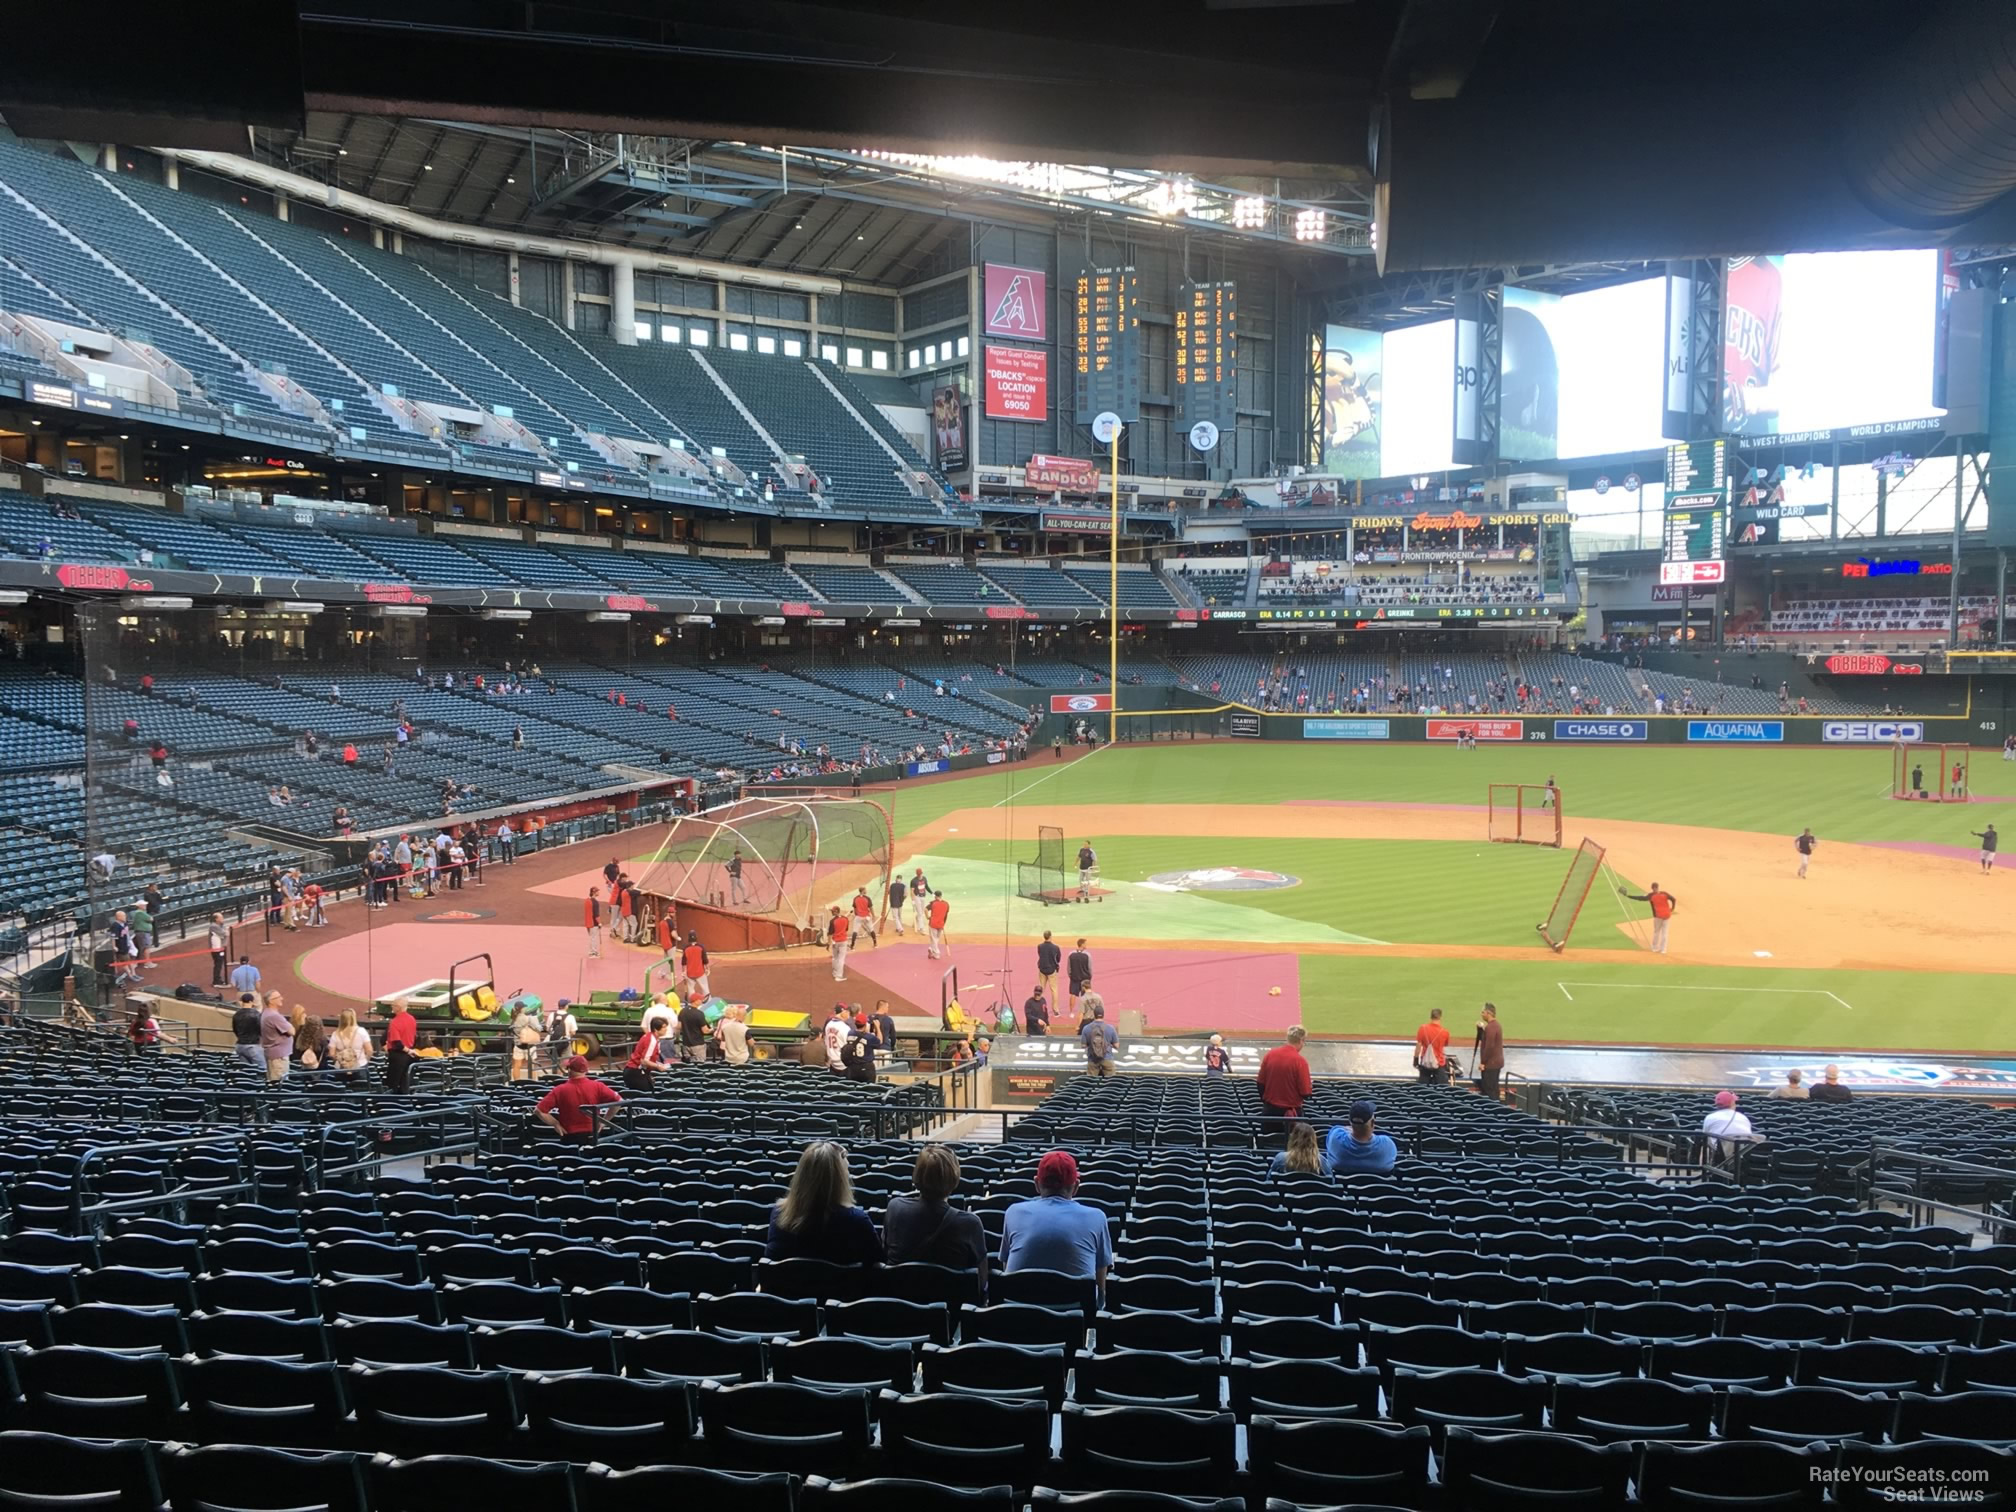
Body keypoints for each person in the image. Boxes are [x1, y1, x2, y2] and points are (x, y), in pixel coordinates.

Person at [1000, 1151, 1111, 1293]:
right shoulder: (1097, 1217)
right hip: (1077, 1312)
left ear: (1036, 1183)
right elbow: (1100, 1288)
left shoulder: (1013, 1212)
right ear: (1076, 1186)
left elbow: (1006, 1269)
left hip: (1018, 1309)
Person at [883, 1146, 988, 1286]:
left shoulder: (894, 1208)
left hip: (899, 1303)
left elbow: (884, 1254)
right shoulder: (970, 1224)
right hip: (951, 1304)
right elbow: (982, 1281)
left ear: (917, 1175)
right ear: (954, 1178)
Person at [764, 1142, 882, 1265]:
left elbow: (771, 1270)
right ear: (841, 1181)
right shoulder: (858, 1221)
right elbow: (879, 1268)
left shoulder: (779, 1214)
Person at [536, 1055, 622, 1143]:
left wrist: (555, 1124)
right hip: (593, 1135)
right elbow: (618, 1101)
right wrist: (604, 1122)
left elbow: (539, 1110)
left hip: (569, 1136)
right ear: (586, 1070)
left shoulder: (559, 1090)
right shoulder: (598, 1086)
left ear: (569, 1069)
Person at [1256, 1025, 1313, 1133]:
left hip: (1270, 1111)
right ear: (1301, 1040)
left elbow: (1260, 1083)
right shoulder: (1300, 1061)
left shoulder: (1270, 1055)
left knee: (1266, 1144)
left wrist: (1267, 1101)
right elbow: (1305, 1092)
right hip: (1291, 1114)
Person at [1326, 1099, 1399, 1174]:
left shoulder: (1335, 1137)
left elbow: (1337, 1129)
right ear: (1372, 1123)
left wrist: (1351, 1129)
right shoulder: (1387, 1144)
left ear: (1350, 1122)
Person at [1618, 881, 1677, 953]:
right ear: (1658, 887)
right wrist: (1672, 908)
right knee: (1665, 933)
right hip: (1667, 915)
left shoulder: (1651, 896)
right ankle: (1663, 950)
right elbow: (1673, 899)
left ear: (1652, 888)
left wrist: (1628, 896)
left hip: (1658, 916)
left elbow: (1640, 898)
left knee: (1657, 932)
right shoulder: (1664, 893)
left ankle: (1655, 948)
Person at [383, 997, 418, 1092]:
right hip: (408, 1055)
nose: (392, 1007)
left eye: (393, 1005)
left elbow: (397, 1043)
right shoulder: (412, 1019)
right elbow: (414, 1037)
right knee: (405, 1084)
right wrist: (410, 1050)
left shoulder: (395, 1022)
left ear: (398, 1007)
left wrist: (407, 1050)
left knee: (393, 1085)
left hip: (398, 1055)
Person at [326, 1008, 372, 1079]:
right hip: (359, 1065)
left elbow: (331, 1054)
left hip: (341, 1067)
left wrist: (341, 1061)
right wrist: (365, 1061)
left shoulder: (335, 1034)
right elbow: (369, 1050)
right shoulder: (362, 1031)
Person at [259, 994, 294, 1083]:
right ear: (271, 1001)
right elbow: (292, 1031)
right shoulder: (274, 1016)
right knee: (279, 1084)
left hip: (275, 1055)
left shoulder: (267, 1013)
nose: (281, 998)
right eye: (278, 997)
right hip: (278, 1057)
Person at [623, 1021, 666, 1090]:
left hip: (637, 1071)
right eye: (664, 1027)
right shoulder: (652, 1040)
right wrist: (658, 1066)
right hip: (635, 1072)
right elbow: (644, 1061)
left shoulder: (651, 1037)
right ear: (656, 1029)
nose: (666, 1029)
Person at [1475, 1004, 1506, 1098]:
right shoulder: (1495, 1026)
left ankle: (1492, 1109)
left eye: (1483, 1012)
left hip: (1491, 1064)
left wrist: (1483, 1062)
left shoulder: (1491, 1027)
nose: (1482, 1014)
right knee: (1493, 1088)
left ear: (1489, 1013)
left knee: (1489, 1090)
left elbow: (1489, 1046)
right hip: (1495, 1063)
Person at [1080, 1003, 1118, 1077]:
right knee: (1111, 1081)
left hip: (1092, 1059)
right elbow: (1116, 1045)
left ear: (1094, 1014)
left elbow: (1083, 1045)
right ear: (1103, 1015)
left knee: (1091, 1082)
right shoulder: (1110, 1028)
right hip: (1107, 1057)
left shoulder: (1086, 1028)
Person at [1415, 1007, 1451, 1084]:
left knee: (1423, 1088)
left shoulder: (1423, 1028)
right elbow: (1445, 1044)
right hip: (1439, 1062)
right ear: (1440, 1017)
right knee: (1442, 1088)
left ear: (1431, 1016)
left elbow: (1418, 1046)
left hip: (1425, 1061)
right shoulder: (1445, 1032)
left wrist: (1415, 1059)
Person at [230, 994, 263, 1070]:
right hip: (253, 1046)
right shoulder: (256, 1014)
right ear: (251, 1001)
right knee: (262, 1068)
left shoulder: (236, 1014)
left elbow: (235, 1029)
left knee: (245, 1070)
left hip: (240, 1045)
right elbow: (260, 1030)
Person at [677, 995, 710, 1064]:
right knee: (699, 1065)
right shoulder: (699, 1014)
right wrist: (712, 1030)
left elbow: (679, 1027)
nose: (701, 1001)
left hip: (686, 1043)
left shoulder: (683, 1011)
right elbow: (705, 1030)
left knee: (688, 1066)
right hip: (697, 1045)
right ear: (696, 1001)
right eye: (700, 999)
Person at [823, 1002, 853, 1071]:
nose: (848, 1014)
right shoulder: (845, 1028)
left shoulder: (828, 1025)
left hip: (832, 1064)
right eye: (847, 1012)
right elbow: (850, 1047)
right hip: (843, 1065)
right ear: (842, 1012)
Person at [679, 933, 710, 999]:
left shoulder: (686, 948)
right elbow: (705, 960)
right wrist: (707, 968)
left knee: (691, 990)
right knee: (705, 988)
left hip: (690, 974)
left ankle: (692, 1003)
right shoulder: (701, 947)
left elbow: (683, 962)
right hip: (700, 973)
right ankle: (708, 1002)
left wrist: (684, 972)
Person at [1067, 938, 1092, 1014]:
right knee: (1086, 995)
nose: (1086, 945)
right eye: (1085, 943)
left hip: (1074, 978)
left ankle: (1071, 1012)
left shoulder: (1071, 954)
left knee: (1073, 994)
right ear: (1082, 944)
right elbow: (1089, 967)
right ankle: (1084, 1012)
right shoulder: (1087, 955)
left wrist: (1070, 976)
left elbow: (1068, 968)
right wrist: (1090, 977)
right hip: (1085, 979)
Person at [1036, 930, 1062, 1005]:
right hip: (1051, 970)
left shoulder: (1040, 946)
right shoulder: (1055, 947)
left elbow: (1040, 955)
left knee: (1041, 988)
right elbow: (1058, 959)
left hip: (1042, 969)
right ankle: (1055, 1009)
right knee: (1054, 990)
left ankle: (1038, 1004)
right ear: (1050, 936)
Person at [826, 904, 851, 982]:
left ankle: (835, 973)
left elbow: (830, 933)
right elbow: (846, 929)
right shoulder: (846, 919)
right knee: (841, 959)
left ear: (836, 911)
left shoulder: (832, 921)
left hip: (835, 941)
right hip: (843, 941)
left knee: (835, 958)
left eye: (832, 911)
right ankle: (839, 976)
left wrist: (828, 943)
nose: (831, 912)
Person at [926, 891, 950, 961]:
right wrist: (943, 923)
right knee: (936, 939)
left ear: (935, 896)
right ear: (941, 895)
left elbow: (925, 909)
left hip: (933, 923)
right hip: (941, 924)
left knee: (934, 939)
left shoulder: (933, 903)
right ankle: (932, 949)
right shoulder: (946, 904)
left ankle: (936, 953)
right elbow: (945, 915)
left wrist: (927, 917)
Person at [207, 913, 229, 987]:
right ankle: (216, 980)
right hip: (216, 949)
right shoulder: (213, 926)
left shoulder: (221, 925)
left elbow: (225, 932)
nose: (223, 919)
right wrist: (225, 932)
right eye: (221, 918)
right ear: (216, 919)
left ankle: (218, 979)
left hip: (220, 947)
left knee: (220, 964)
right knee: (218, 964)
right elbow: (224, 933)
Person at [584, 887, 603, 958]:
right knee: (594, 938)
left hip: (588, 922)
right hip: (593, 923)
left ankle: (592, 951)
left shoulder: (587, 900)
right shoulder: (595, 902)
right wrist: (599, 923)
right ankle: (593, 952)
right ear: (594, 892)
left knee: (592, 938)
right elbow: (596, 914)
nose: (598, 892)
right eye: (597, 891)